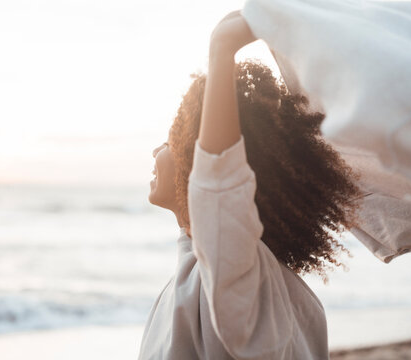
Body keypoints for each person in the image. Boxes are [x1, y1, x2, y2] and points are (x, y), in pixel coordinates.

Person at [138, 11, 360, 359]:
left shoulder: (237, 275)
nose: (156, 150)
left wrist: (222, 50)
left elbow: (220, 185)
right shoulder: (227, 277)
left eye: (171, 139)